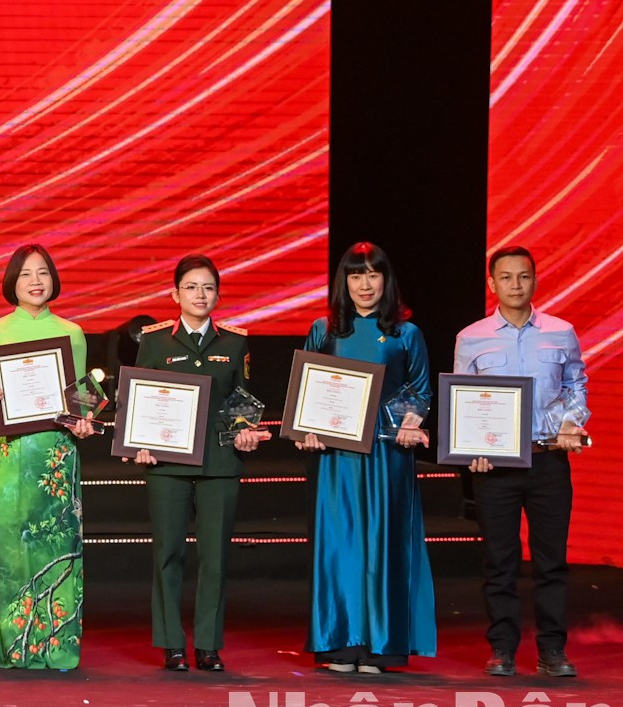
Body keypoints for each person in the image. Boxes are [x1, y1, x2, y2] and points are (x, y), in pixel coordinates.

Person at [299, 241, 435, 673]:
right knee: (339, 546)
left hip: (386, 457)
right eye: (356, 275)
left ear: (386, 280)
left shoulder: (405, 334)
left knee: (383, 544)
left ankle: (380, 646)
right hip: (336, 458)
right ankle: (339, 643)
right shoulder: (324, 330)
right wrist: (307, 430)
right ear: (344, 281)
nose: (364, 284)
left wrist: (411, 420)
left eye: (373, 274)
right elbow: (307, 390)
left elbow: (421, 391)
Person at [454, 246, 590, 678]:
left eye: (524, 276)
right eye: (506, 277)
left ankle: (552, 651)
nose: (516, 285)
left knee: (551, 562)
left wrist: (571, 423)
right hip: (495, 468)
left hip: (548, 459)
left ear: (535, 280)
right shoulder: (471, 337)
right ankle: (502, 650)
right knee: (500, 562)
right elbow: (463, 400)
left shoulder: (561, 332)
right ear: (491, 283)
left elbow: (576, 386)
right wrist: (470, 449)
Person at [128, 255, 267, 673]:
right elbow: (140, 400)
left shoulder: (234, 343)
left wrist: (245, 432)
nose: (200, 294)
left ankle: (208, 644)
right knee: (167, 554)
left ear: (218, 295)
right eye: (191, 287)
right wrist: (139, 443)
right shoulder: (155, 341)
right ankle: (172, 643)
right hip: (167, 464)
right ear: (175, 294)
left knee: (215, 558)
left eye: (208, 287)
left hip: (220, 463)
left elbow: (242, 401)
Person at [0, 244, 96, 671]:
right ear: (12, 282)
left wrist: (85, 418)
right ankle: (9, 642)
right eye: (25, 274)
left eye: (43, 273)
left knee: (52, 541)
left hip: (54, 452)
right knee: (9, 544)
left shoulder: (72, 332)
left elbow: (80, 394)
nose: (35, 281)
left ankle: (54, 643)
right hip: (7, 452)